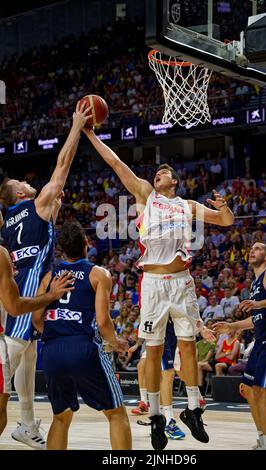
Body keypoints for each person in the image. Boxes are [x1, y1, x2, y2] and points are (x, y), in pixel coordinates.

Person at [83, 129, 233, 450]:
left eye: (163, 172)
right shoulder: (146, 195)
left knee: (188, 346)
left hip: (182, 282)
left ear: (174, 181)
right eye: (156, 173)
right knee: (152, 352)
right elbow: (116, 162)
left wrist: (225, 206)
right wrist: (90, 135)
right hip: (152, 284)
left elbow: (226, 221)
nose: (157, 174)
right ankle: (155, 418)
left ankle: (193, 410)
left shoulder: (187, 205)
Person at [0, 102, 92, 449]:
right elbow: (63, 164)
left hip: (13, 285)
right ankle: (20, 418)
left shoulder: (9, 220)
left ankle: (25, 422)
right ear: (21, 195)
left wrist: (52, 209)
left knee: (28, 354)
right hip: (25, 291)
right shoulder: (32, 205)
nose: (27, 182)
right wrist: (76, 125)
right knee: (14, 351)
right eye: (22, 182)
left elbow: (37, 236)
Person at [32, 221, 132, 450]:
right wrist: (116, 342)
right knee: (116, 414)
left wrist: (58, 334)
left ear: (62, 249)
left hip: (51, 350)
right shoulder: (99, 274)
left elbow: (36, 319)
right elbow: (104, 321)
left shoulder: (50, 277)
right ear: (87, 243)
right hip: (83, 348)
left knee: (60, 417)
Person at [213, 242, 266, 450]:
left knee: (259, 391)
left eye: (258, 249)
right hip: (260, 340)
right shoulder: (254, 284)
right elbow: (256, 319)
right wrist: (231, 326)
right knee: (249, 391)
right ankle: (261, 438)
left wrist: (259, 304)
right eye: (251, 248)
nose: (252, 250)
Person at [0, 245, 73, 436]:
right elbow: (14, 307)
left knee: (29, 351)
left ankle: (28, 424)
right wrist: (49, 296)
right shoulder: (1, 254)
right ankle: (27, 425)